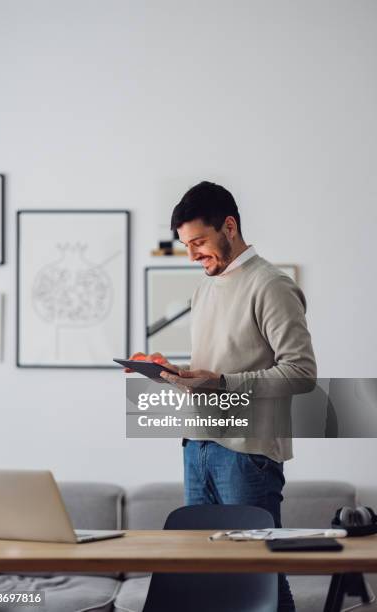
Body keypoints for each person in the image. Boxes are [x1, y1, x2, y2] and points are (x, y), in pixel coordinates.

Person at [127, 181, 317, 612]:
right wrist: (171, 373)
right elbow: (218, 367)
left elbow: (302, 373)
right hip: (197, 445)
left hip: (246, 453)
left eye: (199, 242)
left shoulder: (271, 285)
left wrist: (223, 383)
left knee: (260, 578)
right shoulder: (205, 287)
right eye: (186, 245)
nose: (193, 254)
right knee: (207, 578)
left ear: (229, 226)